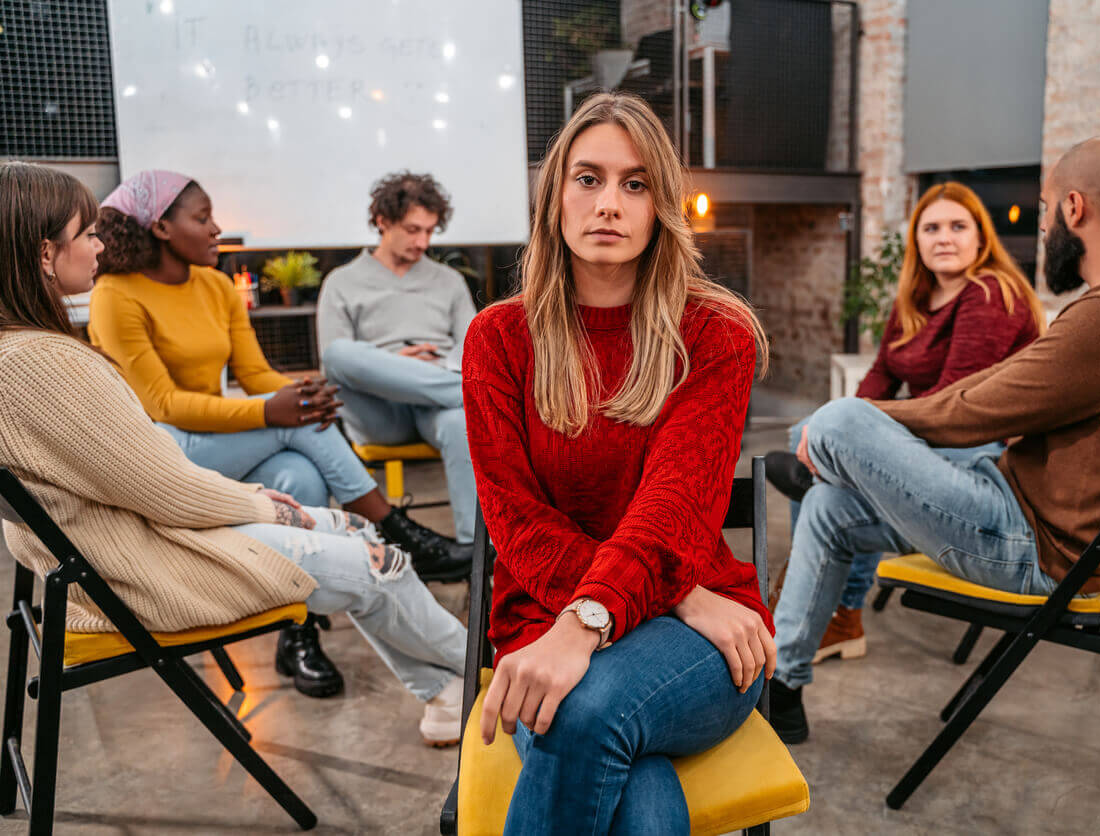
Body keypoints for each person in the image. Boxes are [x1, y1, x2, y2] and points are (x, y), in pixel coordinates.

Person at [0, 160, 467, 746]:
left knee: (303, 474)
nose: (97, 244)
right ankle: (488, 674)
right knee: (383, 561)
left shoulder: (21, 352)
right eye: (84, 234)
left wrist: (290, 407)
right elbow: (167, 485)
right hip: (153, 566)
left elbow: (235, 393)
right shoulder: (50, 360)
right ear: (46, 255)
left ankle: (444, 693)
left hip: (133, 540)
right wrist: (264, 501)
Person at [766, 137, 1100, 744]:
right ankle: (784, 688)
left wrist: (845, 429)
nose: (1043, 222)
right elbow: (994, 393)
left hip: (1032, 547)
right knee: (828, 506)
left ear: (1074, 209)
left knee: (841, 420)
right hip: (1014, 502)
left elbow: (975, 407)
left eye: (1045, 208)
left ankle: (815, 456)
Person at [461, 93, 775, 835]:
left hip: (702, 642)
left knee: (587, 708)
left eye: (635, 184)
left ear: (662, 203)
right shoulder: (498, 339)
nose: (609, 203)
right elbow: (516, 521)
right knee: (636, 789)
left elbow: (673, 507)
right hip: (577, 613)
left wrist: (589, 623)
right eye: (588, 178)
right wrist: (671, 594)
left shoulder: (714, 334)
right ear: (554, 198)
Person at [765, 182, 1044, 663]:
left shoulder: (991, 292)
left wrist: (857, 439)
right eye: (931, 228)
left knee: (841, 468)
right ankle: (835, 611)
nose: (944, 238)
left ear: (981, 237)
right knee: (807, 438)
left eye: (958, 227)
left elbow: (957, 401)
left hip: (977, 455)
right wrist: (841, 432)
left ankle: (831, 607)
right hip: (933, 439)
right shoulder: (915, 299)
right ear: (916, 241)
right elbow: (881, 375)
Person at [316, 172, 477, 557]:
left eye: (430, 231)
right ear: (383, 222)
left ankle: (477, 559)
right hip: (379, 410)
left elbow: (474, 350)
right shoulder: (341, 282)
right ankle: (476, 394)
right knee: (340, 353)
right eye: (412, 229)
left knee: (460, 419)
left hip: (438, 405)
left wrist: (437, 369)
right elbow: (334, 363)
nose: (423, 242)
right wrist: (392, 365)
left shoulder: (449, 281)